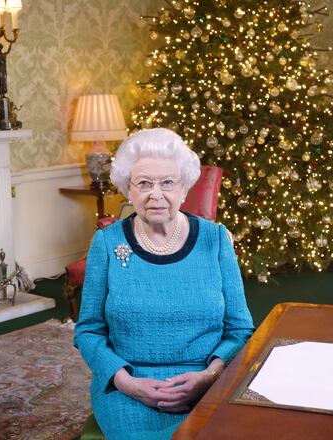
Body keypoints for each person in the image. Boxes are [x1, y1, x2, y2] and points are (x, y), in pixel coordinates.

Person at [73, 128, 255, 439]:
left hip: (208, 381)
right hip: (130, 388)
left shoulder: (215, 240)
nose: (155, 194)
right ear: (128, 190)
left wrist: (209, 377)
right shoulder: (106, 243)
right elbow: (88, 330)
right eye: (143, 183)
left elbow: (240, 328)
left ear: (185, 188)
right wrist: (126, 382)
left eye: (167, 182)